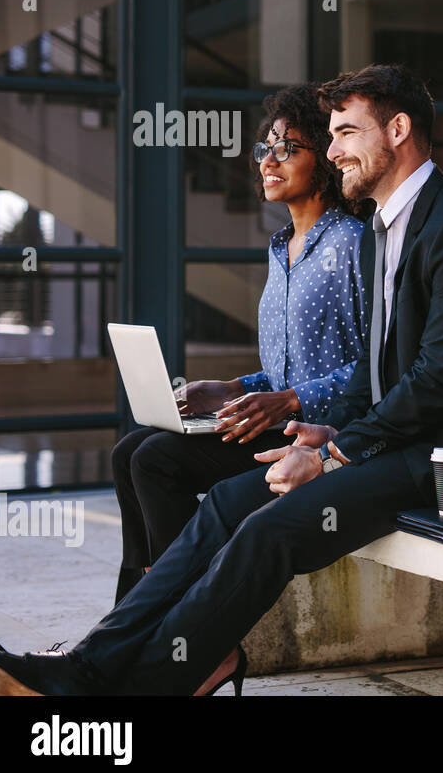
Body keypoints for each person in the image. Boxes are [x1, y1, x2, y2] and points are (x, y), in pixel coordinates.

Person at [0, 63, 443, 696]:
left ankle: (134, 688)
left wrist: (336, 453)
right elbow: (378, 373)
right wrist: (320, 427)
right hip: (407, 444)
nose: (335, 147)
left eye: (345, 132)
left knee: (267, 530)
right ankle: (89, 665)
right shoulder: (383, 232)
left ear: (398, 130)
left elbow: (439, 382)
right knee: (230, 505)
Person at [109, 84, 367, 605]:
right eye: (262, 150)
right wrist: (229, 388)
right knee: (127, 451)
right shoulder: (281, 249)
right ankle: (135, 602)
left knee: (156, 460)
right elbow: (283, 371)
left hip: (320, 436)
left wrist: (290, 400)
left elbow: (375, 364)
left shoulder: (352, 243)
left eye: (285, 148)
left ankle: (176, 609)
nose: (267, 162)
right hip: (273, 418)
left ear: (324, 157)